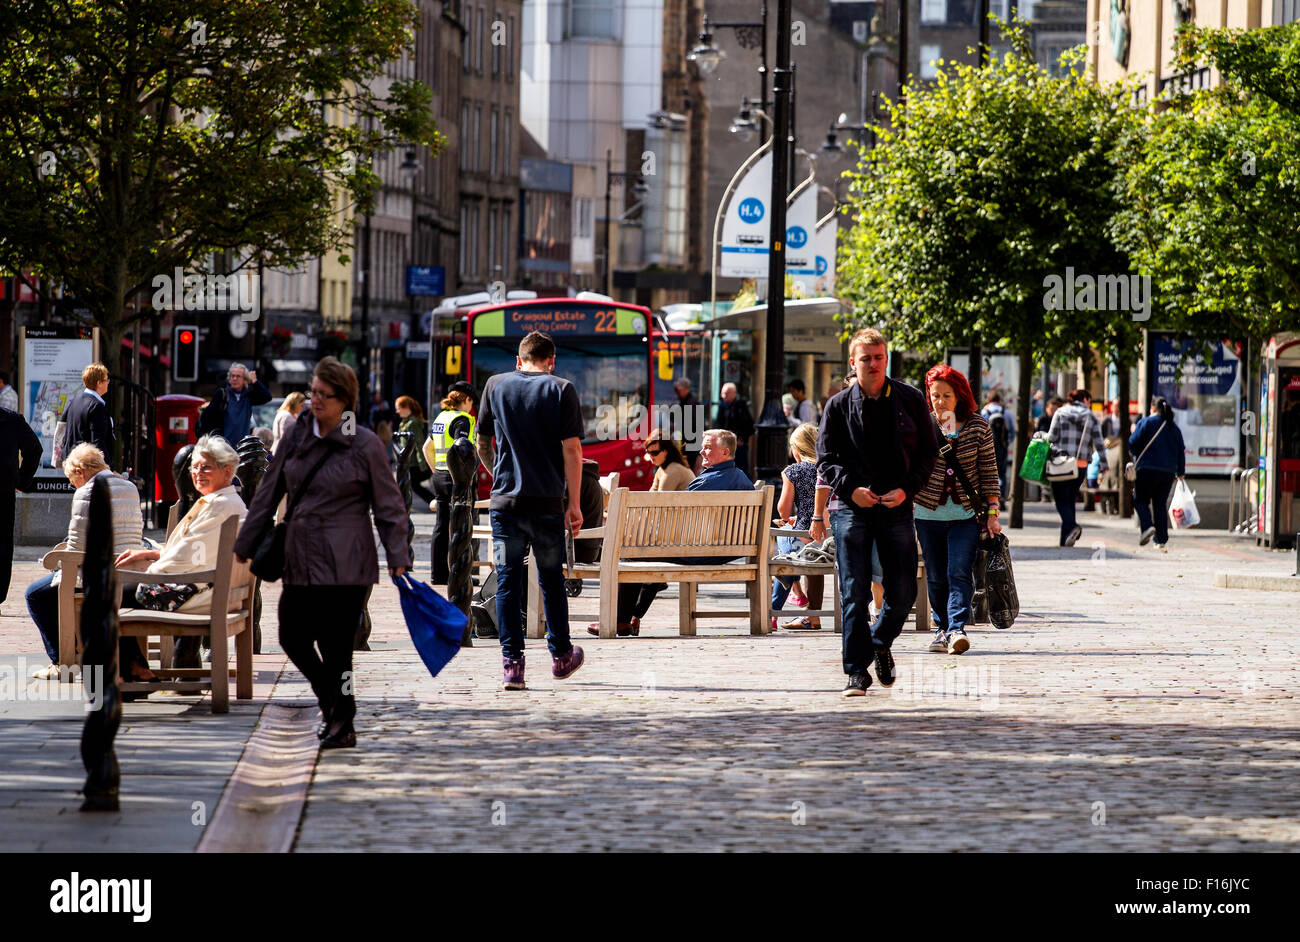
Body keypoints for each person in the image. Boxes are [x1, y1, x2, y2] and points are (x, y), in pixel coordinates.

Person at [235, 358, 410, 749]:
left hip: (348, 562)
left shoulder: (363, 444)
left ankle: (341, 721)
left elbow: (389, 504)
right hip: (299, 553)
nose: (314, 400)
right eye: (312, 391)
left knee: (336, 649)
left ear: (345, 400)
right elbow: (269, 491)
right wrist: (246, 543)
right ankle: (331, 702)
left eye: (323, 395)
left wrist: (398, 554)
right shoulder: (298, 435)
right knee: (291, 636)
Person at [818, 327, 937, 696]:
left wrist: (908, 490)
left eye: (879, 357)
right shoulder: (837, 406)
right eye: (866, 358)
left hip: (897, 507)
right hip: (851, 510)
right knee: (854, 591)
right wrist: (852, 489)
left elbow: (929, 454)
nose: (873, 364)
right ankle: (856, 673)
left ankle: (879, 641)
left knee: (902, 592)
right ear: (852, 363)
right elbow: (826, 459)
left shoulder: (910, 399)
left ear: (887, 359)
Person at [476, 331, 586, 691]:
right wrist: (574, 503)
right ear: (552, 361)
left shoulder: (494, 385)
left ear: (518, 361)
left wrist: (499, 476)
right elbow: (572, 450)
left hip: (506, 506)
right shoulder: (561, 389)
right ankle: (561, 656)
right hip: (546, 505)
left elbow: (481, 442)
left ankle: (512, 665)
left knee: (507, 579)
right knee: (551, 580)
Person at [114, 435, 249, 673]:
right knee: (127, 586)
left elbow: (184, 558)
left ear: (227, 472)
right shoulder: (227, 502)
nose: (197, 473)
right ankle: (166, 672)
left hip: (201, 596)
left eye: (206, 467)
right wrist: (153, 553)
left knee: (113, 594)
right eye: (195, 467)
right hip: (215, 590)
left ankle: (135, 672)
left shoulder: (218, 506)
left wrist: (150, 571)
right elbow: (195, 551)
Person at [25, 444, 144, 680]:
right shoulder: (130, 487)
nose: (73, 486)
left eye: (72, 480)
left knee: (35, 594)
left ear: (80, 471)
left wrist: (57, 564)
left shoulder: (86, 492)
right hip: (131, 571)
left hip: (99, 574)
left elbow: (76, 548)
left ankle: (62, 660)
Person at [915, 365, 1003, 656]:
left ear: (959, 395)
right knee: (937, 575)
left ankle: (956, 629)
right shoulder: (922, 424)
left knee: (959, 571)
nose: (940, 402)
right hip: (927, 514)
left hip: (965, 514)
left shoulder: (978, 426)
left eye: (946, 396)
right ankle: (941, 628)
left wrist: (992, 513)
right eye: (935, 395)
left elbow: (989, 472)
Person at [587, 429, 695, 637]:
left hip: (673, 541)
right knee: (637, 559)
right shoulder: (665, 469)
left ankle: (619, 620)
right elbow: (652, 506)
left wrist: (627, 522)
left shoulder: (672, 472)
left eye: (655, 453)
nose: (651, 457)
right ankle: (627, 619)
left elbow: (656, 510)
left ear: (668, 451)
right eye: (649, 453)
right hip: (677, 538)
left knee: (628, 556)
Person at [422, 382, 477, 585]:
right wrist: (466, 476)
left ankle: (438, 575)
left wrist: (436, 469)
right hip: (457, 478)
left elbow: (426, 447)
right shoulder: (463, 419)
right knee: (461, 525)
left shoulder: (441, 417)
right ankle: (458, 575)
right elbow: (461, 449)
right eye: (472, 402)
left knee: (441, 525)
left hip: (439, 477)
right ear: (467, 399)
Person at [772, 422, 824, 630]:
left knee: (784, 540)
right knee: (815, 552)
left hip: (805, 538)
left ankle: (776, 608)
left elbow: (783, 512)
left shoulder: (793, 471)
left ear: (796, 449)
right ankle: (813, 616)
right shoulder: (830, 466)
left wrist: (792, 518)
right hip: (830, 540)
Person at [1048, 389, 1108, 547]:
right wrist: (1104, 465)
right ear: (1085, 400)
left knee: (1060, 500)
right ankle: (1066, 539)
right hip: (1080, 466)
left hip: (1061, 463)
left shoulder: (1060, 412)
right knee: (1070, 500)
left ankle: (1072, 526)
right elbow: (1099, 443)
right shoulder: (1090, 416)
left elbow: (1051, 438)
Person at [1130, 396, 1186, 552]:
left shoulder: (1146, 422)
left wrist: (1134, 452)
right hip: (1167, 472)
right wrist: (1180, 471)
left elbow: (1133, 443)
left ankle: (1147, 526)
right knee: (1160, 504)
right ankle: (1161, 539)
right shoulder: (1173, 428)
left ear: (1153, 408)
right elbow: (1180, 451)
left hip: (1146, 469)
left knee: (1140, 500)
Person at [2, 404, 43, 612]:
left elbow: (34, 450)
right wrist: (20, 481)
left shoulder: (11, 420)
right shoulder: (11, 419)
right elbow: (34, 450)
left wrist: (21, 481)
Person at [197, 363, 271, 443]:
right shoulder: (222, 395)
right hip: (223, 446)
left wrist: (255, 381)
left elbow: (267, 397)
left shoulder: (248, 396)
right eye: (232, 376)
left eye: (238, 376)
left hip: (242, 447)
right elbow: (208, 419)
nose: (234, 379)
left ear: (245, 380)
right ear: (229, 379)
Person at [58, 363, 115, 462]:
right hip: (88, 466)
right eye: (106, 380)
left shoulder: (75, 400)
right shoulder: (96, 406)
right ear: (99, 383)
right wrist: (106, 469)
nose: (108, 383)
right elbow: (98, 443)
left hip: (72, 462)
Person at [394, 396, 434, 508]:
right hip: (408, 462)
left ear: (406, 407)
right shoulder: (405, 422)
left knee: (410, 485)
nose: (397, 412)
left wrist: (423, 464)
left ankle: (434, 502)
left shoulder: (413, 423)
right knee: (410, 485)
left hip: (414, 463)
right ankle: (433, 502)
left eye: (398, 408)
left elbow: (419, 443)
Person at [980, 392, 1016, 502]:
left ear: (987, 400)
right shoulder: (1007, 413)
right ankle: (1001, 496)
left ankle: (989, 498)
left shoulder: (984, 412)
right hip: (1002, 447)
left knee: (987, 472)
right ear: (999, 400)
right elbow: (1013, 432)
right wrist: (1006, 442)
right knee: (1001, 472)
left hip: (987, 447)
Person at [715, 382, 755, 478]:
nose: (724, 396)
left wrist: (742, 439)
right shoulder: (722, 406)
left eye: (727, 393)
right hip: (725, 443)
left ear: (734, 393)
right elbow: (719, 423)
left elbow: (749, 425)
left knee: (741, 468)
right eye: (722, 393)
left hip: (739, 444)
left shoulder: (741, 405)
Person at [669, 378, 703, 471]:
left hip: (691, 443)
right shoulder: (680, 402)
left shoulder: (693, 402)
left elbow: (695, 423)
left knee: (689, 469)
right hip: (684, 441)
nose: (677, 392)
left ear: (686, 389)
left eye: (678, 390)